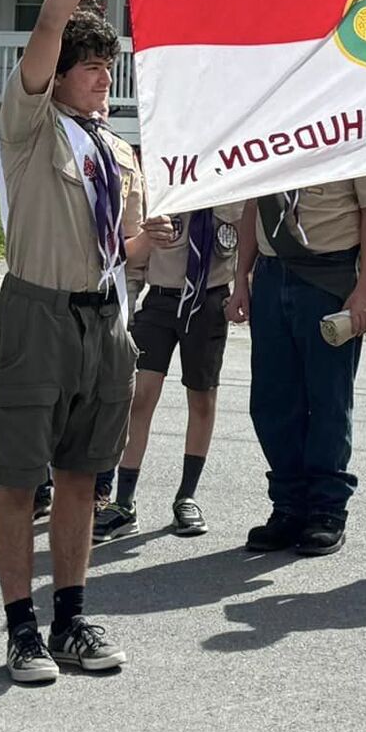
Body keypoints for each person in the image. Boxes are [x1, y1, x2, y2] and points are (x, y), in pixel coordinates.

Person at [0, 0, 171, 684]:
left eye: (109, 69)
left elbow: (113, 250)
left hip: (105, 322)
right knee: (20, 477)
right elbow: (47, 27)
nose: (103, 79)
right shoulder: (31, 126)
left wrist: (146, 243)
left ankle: (70, 617)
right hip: (37, 315)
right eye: (92, 68)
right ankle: (20, 629)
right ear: (58, 76)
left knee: (81, 478)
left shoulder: (118, 151)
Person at [230, 172, 366, 555]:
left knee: (328, 401)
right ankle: (288, 506)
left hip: (330, 272)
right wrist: (241, 277)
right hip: (273, 271)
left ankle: (326, 509)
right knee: (271, 400)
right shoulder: (270, 129)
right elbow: (255, 201)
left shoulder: (348, 123)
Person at [94, 201, 246, 541]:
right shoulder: (164, 185)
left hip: (209, 303)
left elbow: (247, 244)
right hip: (160, 302)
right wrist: (127, 302)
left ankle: (187, 496)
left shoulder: (233, 190)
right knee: (140, 397)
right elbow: (132, 255)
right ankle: (123, 502)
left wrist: (243, 288)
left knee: (202, 399)